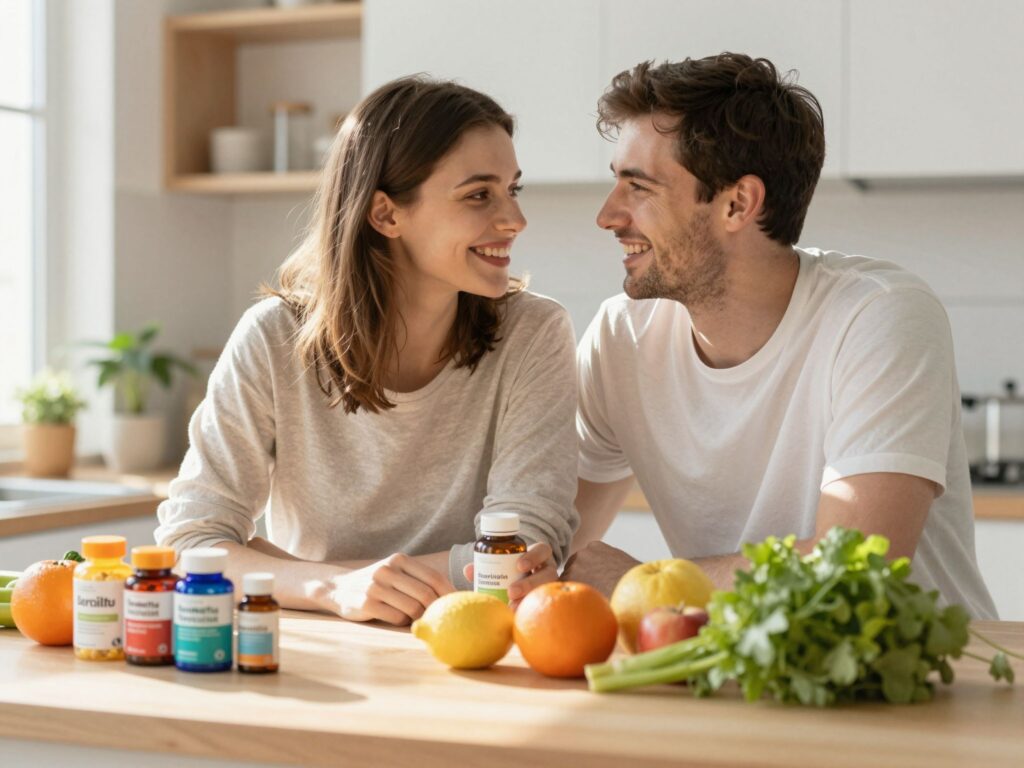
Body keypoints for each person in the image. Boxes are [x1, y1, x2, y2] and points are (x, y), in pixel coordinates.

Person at [564, 53, 997, 618]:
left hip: (928, 668)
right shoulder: (622, 336)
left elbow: (856, 573)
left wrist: (646, 584)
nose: (608, 215)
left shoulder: (879, 315)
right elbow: (552, 538)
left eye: (638, 187)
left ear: (738, 204)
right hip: (740, 664)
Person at [155, 76, 579, 626]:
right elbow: (190, 541)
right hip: (314, 647)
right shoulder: (273, 337)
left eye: (512, 190)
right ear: (386, 214)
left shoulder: (534, 333)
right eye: (479, 195)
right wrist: (332, 587)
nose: (514, 220)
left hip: (472, 644)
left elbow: (523, 558)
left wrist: (293, 570)